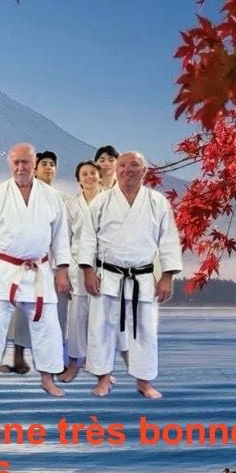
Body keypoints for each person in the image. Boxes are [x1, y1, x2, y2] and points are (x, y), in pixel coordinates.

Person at [0, 143, 71, 398]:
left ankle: (47, 379)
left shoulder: (51, 196)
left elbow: (61, 237)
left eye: (26, 162)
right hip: (4, 270)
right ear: (9, 164)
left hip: (39, 270)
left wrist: (62, 270)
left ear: (34, 164)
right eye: (16, 162)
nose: (21, 167)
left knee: (48, 326)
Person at [80, 151, 182, 399]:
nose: (127, 169)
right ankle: (104, 378)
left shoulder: (157, 202)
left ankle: (144, 382)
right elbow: (87, 238)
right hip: (107, 275)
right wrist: (88, 271)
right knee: (101, 328)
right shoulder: (102, 202)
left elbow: (168, 240)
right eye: (122, 165)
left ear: (144, 171)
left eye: (134, 165)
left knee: (145, 330)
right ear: (116, 170)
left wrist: (167, 276)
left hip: (142, 277)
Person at [58, 160, 103, 383]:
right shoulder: (71, 206)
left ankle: (100, 366)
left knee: (103, 318)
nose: (89, 177)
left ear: (100, 176)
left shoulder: (110, 202)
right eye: (84, 174)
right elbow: (63, 240)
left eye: (93, 173)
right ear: (78, 180)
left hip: (104, 266)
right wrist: (64, 272)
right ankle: (73, 363)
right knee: (77, 317)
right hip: (77, 266)